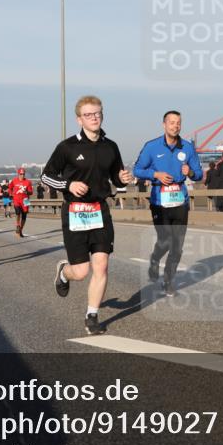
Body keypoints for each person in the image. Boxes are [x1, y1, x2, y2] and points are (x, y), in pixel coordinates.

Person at [42, 95, 134, 335]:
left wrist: (122, 179)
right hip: (74, 211)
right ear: (79, 119)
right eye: (88, 115)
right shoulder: (67, 147)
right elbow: (46, 176)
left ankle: (91, 315)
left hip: (99, 210)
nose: (94, 118)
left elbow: (116, 177)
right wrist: (68, 185)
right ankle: (64, 272)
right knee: (81, 272)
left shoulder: (110, 146)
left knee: (101, 265)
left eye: (98, 113)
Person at [133, 110, 204, 296]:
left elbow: (199, 174)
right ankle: (155, 259)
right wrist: (156, 174)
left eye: (178, 122)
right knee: (165, 241)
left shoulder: (187, 147)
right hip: (159, 200)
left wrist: (189, 172)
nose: (175, 126)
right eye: (171, 122)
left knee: (177, 245)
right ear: (164, 124)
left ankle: (168, 280)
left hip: (180, 200)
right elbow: (137, 170)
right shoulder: (152, 147)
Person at [10, 168, 33, 238]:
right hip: (16, 199)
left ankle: (20, 230)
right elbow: (10, 188)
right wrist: (10, 194)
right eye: (21, 174)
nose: (22, 175)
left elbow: (31, 192)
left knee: (24, 216)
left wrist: (27, 192)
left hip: (25, 200)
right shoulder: (14, 181)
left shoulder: (28, 182)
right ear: (18, 174)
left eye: (23, 174)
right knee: (18, 212)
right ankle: (17, 225)